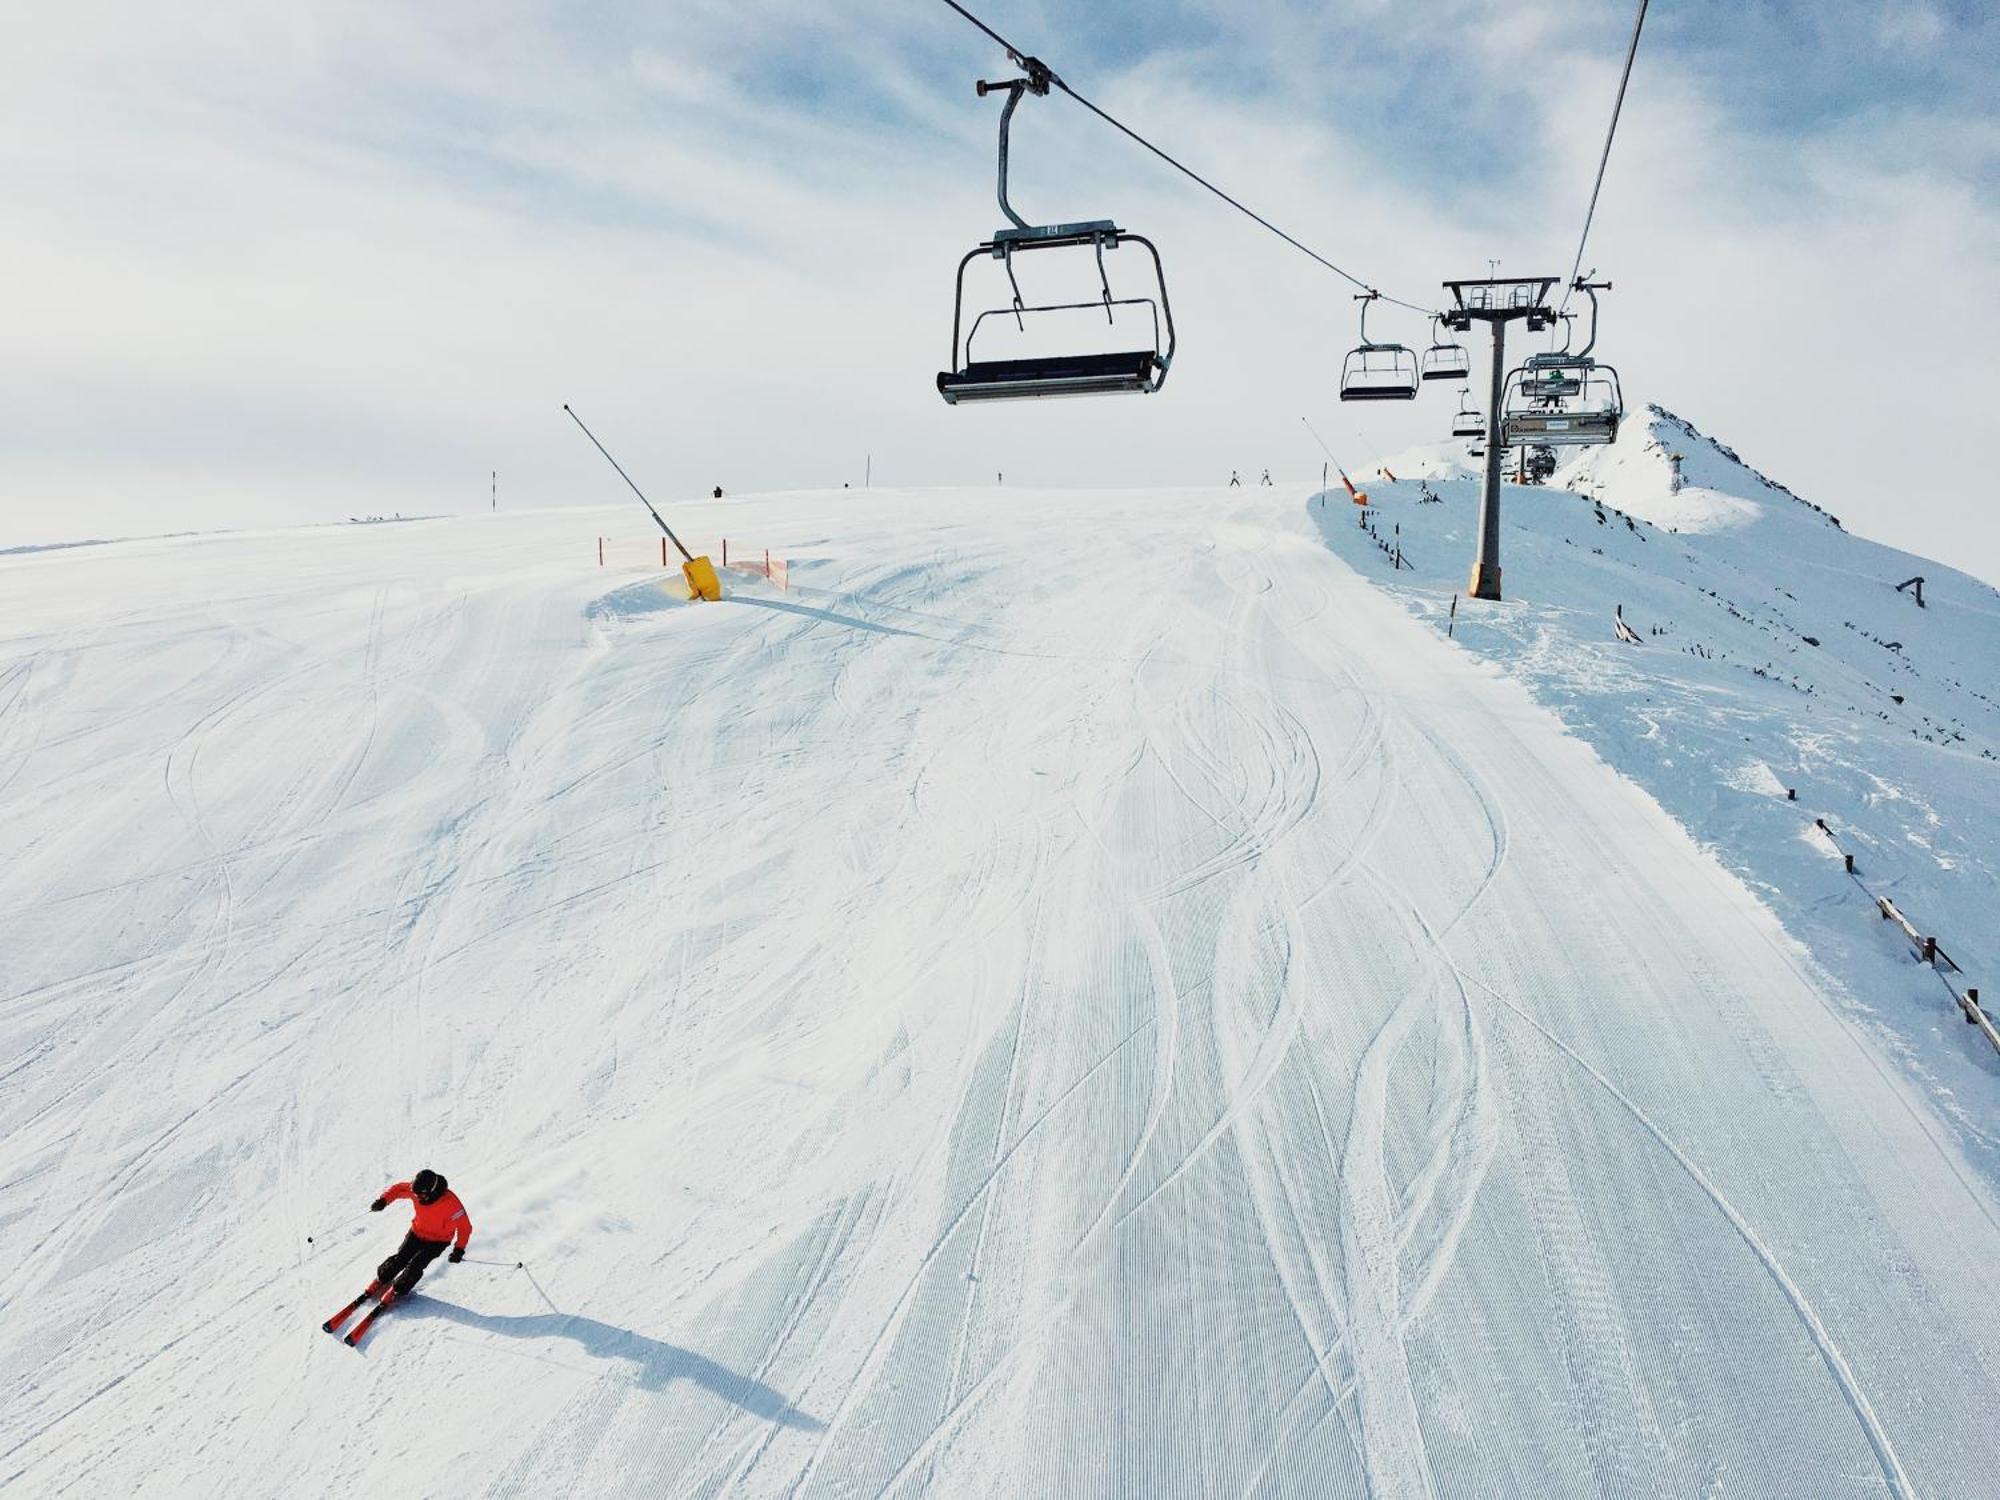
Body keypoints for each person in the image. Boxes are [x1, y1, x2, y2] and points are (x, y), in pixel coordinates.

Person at [368, 1168, 472, 1300]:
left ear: (432, 1191)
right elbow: (398, 1189)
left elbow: (465, 1227)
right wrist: (383, 1200)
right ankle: (382, 1278)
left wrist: (459, 1249)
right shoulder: (416, 1190)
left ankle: (398, 1289)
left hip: (438, 1241)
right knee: (401, 1258)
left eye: (421, 1195)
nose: (417, 1197)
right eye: (415, 1194)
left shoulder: (451, 1203)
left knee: (415, 1265)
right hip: (416, 1233)